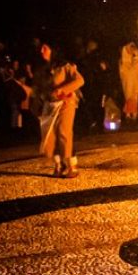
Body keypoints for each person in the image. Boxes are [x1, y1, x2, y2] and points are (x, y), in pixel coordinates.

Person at [35, 43, 84, 178]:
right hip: (49, 105)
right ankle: (58, 164)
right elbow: (38, 88)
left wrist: (63, 90)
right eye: (40, 48)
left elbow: (80, 80)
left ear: (53, 49)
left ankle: (72, 166)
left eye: (45, 48)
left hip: (66, 103)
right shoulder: (42, 69)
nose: (41, 51)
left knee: (64, 131)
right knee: (50, 135)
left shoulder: (64, 66)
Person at [119, 42, 138, 121]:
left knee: (134, 99)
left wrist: (137, 57)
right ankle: (128, 114)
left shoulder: (135, 61)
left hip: (135, 83)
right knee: (129, 98)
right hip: (128, 84)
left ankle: (134, 114)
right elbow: (123, 73)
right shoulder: (123, 62)